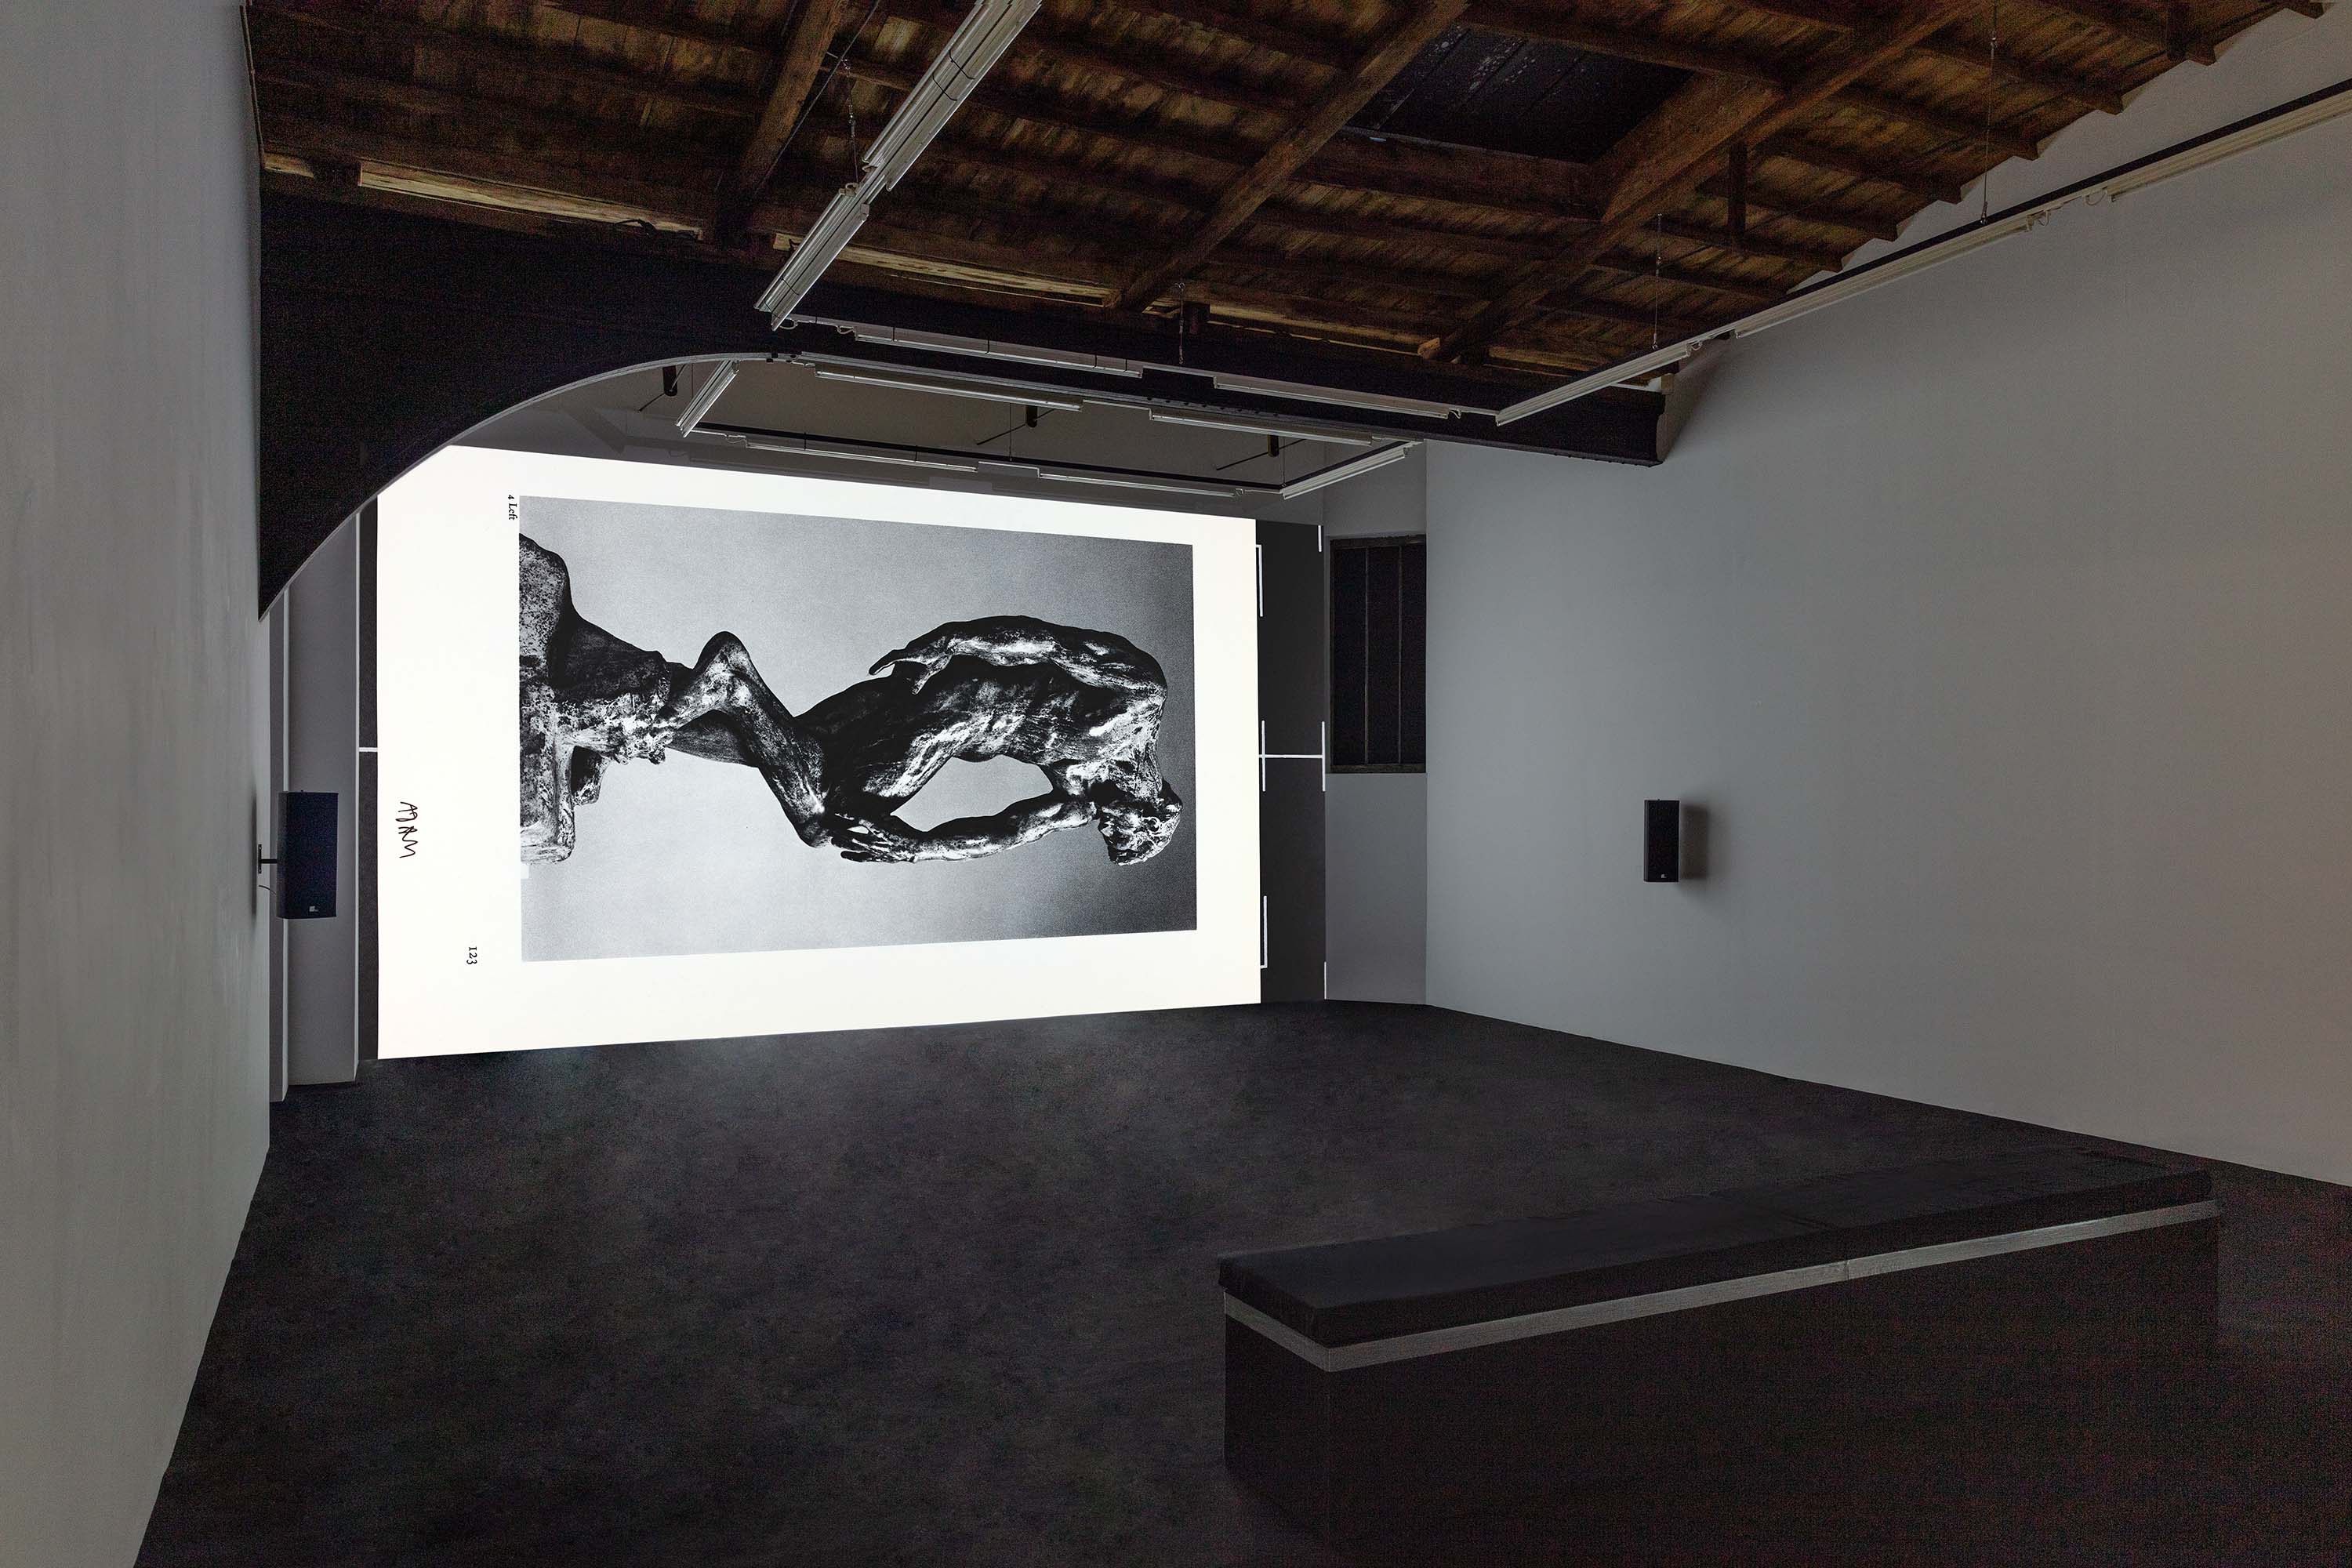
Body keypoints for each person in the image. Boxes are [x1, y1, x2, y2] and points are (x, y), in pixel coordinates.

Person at [518, 535, 1182, 869]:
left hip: (926, 713)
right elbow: (1048, 643)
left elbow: (1007, 831)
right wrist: (949, 642)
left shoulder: (1082, 798)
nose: (1103, 825)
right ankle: (731, 680)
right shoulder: (1141, 699)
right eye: (1119, 828)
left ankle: (607, 675)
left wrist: (920, 848)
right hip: (953, 713)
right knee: (825, 816)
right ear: (1156, 810)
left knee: (776, 747)